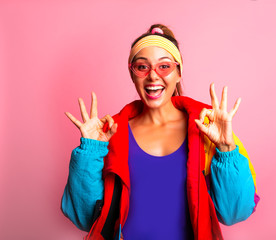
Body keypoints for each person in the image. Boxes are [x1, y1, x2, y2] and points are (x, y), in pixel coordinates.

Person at [61, 24, 260, 240]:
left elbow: (233, 214)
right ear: (132, 74)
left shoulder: (208, 130)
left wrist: (226, 148)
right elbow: (84, 218)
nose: (153, 76)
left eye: (164, 66)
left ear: (179, 73)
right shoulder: (109, 134)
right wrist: (90, 151)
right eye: (142, 67)